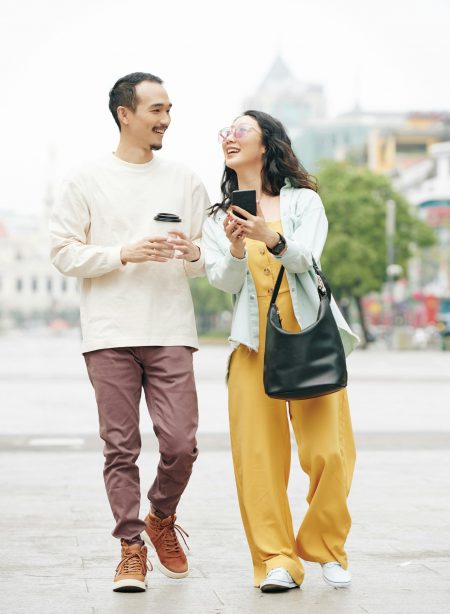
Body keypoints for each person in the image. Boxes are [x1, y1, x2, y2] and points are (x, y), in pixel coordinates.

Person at [50, 72, 210, 592]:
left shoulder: (184, 179)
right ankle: (131, 547)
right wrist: (123, 252)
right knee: (119, 447)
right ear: (126, 113)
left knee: (181, 443)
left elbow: (206, 260)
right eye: (156, 110)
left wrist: (194, 254)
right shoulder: (85, 180)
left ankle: (161, 516)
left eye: (169, 111)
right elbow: (62, 252)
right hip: (109, 332)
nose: (165, 120)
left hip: (169, 328)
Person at [202, 110, 359, 593]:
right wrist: (232, 247)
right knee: (258, 458)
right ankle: (276, 560)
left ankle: (326, 547)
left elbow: (308, 260)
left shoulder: (303, 202)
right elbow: (221, 281)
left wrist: (271, 238)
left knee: (329, 451)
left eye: (240, 129)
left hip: (308, 331)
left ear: (266, 143)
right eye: (225, 130)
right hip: (252, 342)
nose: (229, 136)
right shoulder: (219, 215)